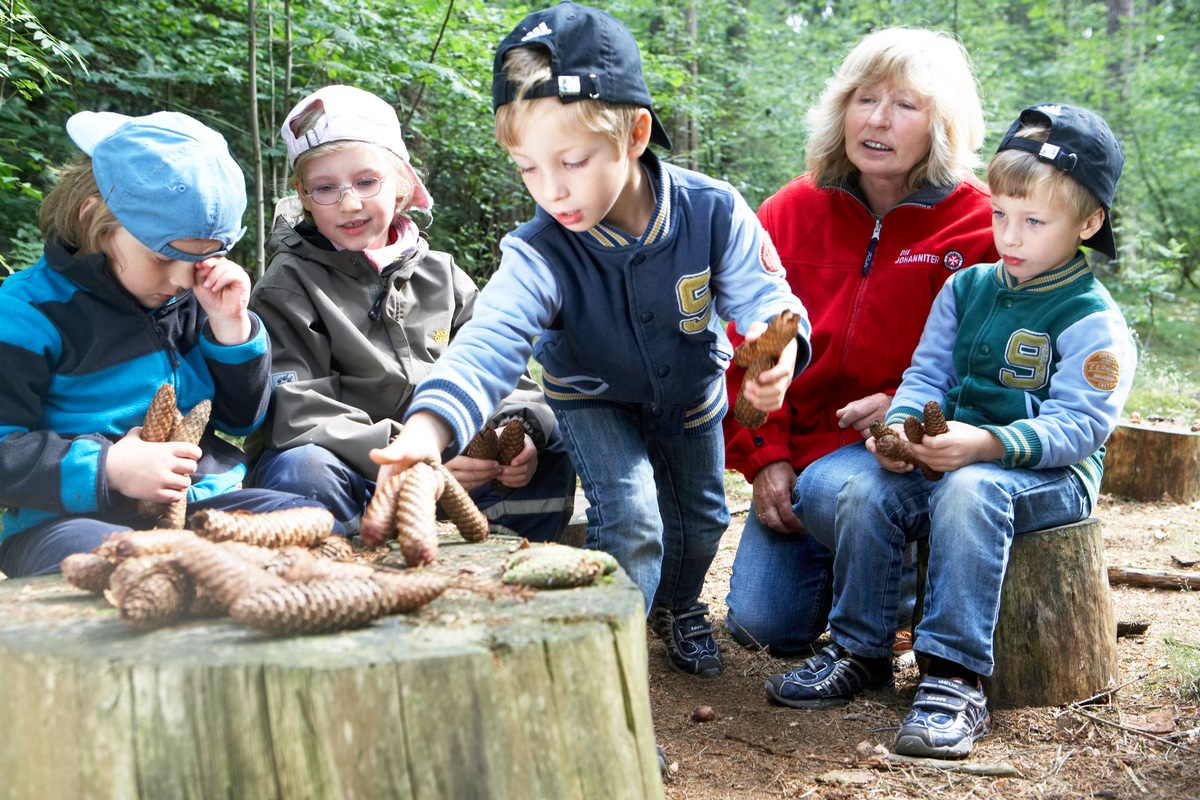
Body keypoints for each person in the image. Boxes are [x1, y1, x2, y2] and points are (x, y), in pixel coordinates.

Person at [370, 1, 811, 678]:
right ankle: (609, 670)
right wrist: (427, 431)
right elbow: (491, 340)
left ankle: (678, 605)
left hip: (691, 399)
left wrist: (774, 351)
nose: (552, 191)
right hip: (591, 400)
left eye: (572, 161)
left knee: (701, 523)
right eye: (527, 169)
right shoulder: (539, 252)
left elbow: (765, 301)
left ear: (635, 134)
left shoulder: (713, 210)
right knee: (633, 517)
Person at [763, 103, 1135, 759]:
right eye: (999, 216)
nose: (1010, 237)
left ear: (1089, 222)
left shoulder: (1091, 319)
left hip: (1047, 478)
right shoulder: (967, 289)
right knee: (867, 490)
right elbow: (926, 375)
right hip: (956, 460)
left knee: (970, 493)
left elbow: (1080, 427)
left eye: (1034, 222)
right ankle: (861, 647)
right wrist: (904, 430)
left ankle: (954, 676)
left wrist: (984, 445)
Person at [723, 27, 999, 657]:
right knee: (762, 628)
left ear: (943, 125)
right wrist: (765, 458)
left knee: (837, 488)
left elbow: (998, 359)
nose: (878, 119)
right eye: (864, 99)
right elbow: (747, 352)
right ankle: (866, 568)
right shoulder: (789, 212)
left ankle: (895, 581)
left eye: (905, 105)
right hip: (803, 459)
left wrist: (907, 402)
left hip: (910, 455)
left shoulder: (981, 225)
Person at [0, 110, 340, 578]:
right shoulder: (26, 314)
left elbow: (241, 419)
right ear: (93, 220)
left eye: (204, 259)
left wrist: (230, 327)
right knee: (111, 566)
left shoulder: (193, 299)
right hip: (69, 521)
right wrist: (108, 467)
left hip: (204, 500)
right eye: (164, 258)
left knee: (313, 525)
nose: (183, 279)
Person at [246, 85, 576, 542]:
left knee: (550, 447)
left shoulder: (443, 275)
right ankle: (345, 578)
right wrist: (404, 450)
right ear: (303, 194)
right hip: (358, 470)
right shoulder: (289, 285)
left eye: (366, 182)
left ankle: (507, 567)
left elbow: (501, 370)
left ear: (401, 183)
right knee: (303, 468)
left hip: (451, 468)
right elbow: (296, 409)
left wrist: (518, 430)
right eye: (325, 188)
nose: (349, 203)